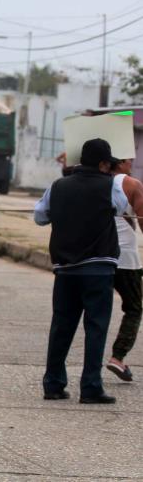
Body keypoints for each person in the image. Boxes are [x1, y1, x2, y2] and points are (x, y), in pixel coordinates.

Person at [36, 139, 143, 404]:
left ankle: (53, 384)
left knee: (61, 327)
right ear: (105, 163)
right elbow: (119, 208)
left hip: (65, 269)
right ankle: (91, 387)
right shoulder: (110, 187)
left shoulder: (58, 186)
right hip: (98, 269)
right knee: (96, 328)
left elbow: (40, 217)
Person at [107, 158, 143, 382]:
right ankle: (117, 357)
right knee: (134, 308)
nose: (132, 163)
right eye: (129, 159)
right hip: (126, 259)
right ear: (119, 162)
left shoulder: (93, 181)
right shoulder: (131, 184)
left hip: (95, 255)